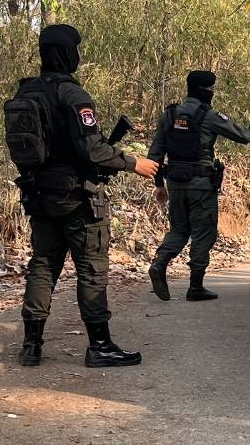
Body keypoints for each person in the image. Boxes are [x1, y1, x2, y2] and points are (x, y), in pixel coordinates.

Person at [9, 24, 159, 369]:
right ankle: (100, 346)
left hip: (39, 194)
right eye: (76, 49)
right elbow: (93, 150)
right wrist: (133, 163)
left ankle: (31, 345)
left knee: (43, 266)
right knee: (91, 268)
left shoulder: (26, 92)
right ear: (67, 53)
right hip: (78, 197)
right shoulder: (73, 96)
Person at [146, 69, 250, 302]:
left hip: (175, 184)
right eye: (211, 90)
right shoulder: (209, 116)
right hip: (200, 186)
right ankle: (195, 286)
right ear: (206, 91)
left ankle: (159, 263)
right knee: (203, 234)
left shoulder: (169, 114)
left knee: (179, 230)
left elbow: (155, 154)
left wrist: (159, 185)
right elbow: (245, 136)